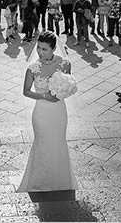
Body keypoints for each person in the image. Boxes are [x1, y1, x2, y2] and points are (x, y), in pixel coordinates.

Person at [17, 31, 78, 192]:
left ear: (53, 49)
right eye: (39, 48)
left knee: (58, 142)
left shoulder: (65, 64)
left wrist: (62, 92)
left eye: (44, 49)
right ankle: (39, 183)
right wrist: (45, 95)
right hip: (41, 112)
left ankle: (60, 181)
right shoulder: (33, 68)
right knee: (42, 143)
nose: (40, 52)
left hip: (59, 111)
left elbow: (68, 84)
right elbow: (26, 91)